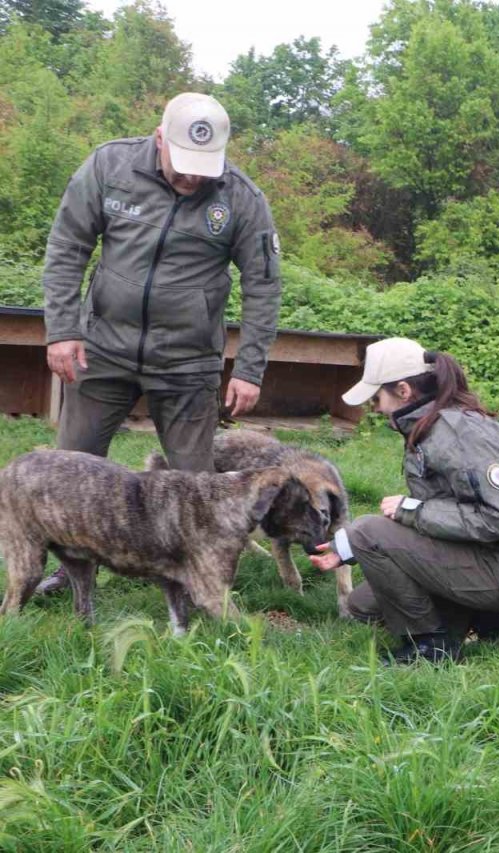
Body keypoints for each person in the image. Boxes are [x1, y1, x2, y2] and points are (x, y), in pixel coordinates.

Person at [37, 91, 282, 594]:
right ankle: (69, 572)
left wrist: (250, 368)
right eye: (183, 164)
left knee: (197, 484)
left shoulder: (240, 198)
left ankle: (200, 579)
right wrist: (62, 330)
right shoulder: (110, 165)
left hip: (188, 364)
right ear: (158, 139)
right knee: (72, 471)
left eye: (204, 168)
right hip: (102, 349)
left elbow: (264, 285)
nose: (193, 177)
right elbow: (67, 247)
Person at [309, 338, 499, 665]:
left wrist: (412, 511)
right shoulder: (429, 425)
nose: (376, 408)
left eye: (377, 397)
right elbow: (449, 508)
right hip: (481, 555)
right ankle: (489, 618)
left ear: (404, 391)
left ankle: (431, 645)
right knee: (362, 606)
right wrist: (348, 547)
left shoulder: (461, 433)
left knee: (368, 530)